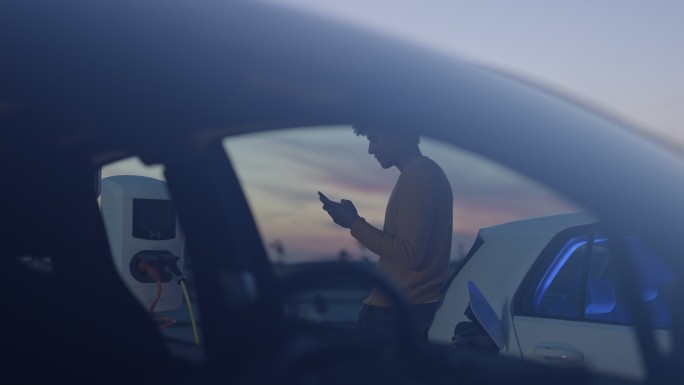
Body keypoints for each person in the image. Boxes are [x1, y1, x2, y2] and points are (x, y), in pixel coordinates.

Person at [319, 123, 453, 340]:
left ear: (398, 134)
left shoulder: (418, 176)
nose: (371, 150)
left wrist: (353, 222)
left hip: (394, 315)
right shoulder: (425, 173)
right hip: (403, 310)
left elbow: (410, 254)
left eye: (374, 140)